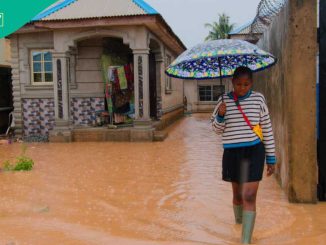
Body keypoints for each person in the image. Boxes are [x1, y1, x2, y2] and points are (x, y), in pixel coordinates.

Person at [211, 66, 276, 244]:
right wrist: (221, 116)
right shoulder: (223, 101)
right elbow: (216, 130)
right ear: (232, 83)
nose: (242, 88)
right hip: (232, 152)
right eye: (238, 84)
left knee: (249, 195)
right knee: (238, 195)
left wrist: (271, 157)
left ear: (252, 83)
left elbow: (267, 128)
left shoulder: (259, 99)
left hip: (254, 151)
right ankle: (239, 225)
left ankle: (245, 241)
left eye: (246, 84)